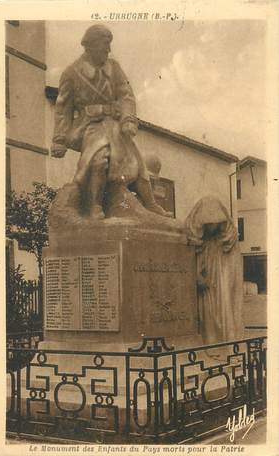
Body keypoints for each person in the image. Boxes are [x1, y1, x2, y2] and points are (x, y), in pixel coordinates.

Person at [51, 24, 168, 219]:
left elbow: (126, 95)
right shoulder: (71, 73)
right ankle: (94, 206)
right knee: (99, 159)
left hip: (115, 126)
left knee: (136, 161)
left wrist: (128, 119)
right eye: (105, 45)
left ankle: (150, 203)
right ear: (90, 45)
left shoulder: (114, 68)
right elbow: (63, 108)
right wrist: (60, 140)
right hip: (89, 126)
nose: (108, 50)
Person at [184, 196, 244, 347]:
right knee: (207, 315)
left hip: (222, 283)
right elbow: (194, 261)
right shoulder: (199, 241)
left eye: (215, 224)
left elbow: (232, 272)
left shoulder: (227, 239)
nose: (212, 227)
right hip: (206, 286)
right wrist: (198, 275)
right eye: (208, 224)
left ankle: (227, 346)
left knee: (224, 310)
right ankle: (211, 346)